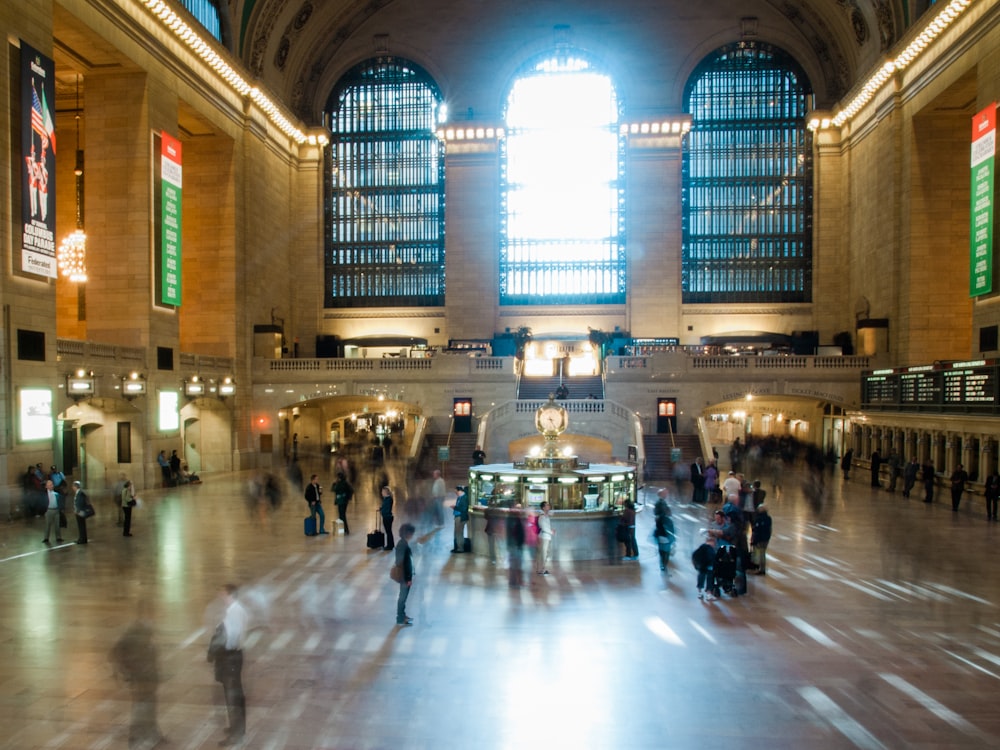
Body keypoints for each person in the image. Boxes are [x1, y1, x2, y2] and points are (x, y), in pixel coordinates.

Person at [110, 601, 165, 750]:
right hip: (140, 677)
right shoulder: (133, 631)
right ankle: (135, 738)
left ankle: (153, 733)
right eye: (151, 614)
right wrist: (127, 673)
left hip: (150, 677)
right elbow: (116, 651)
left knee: (150, 706)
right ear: (144, 614)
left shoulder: (148, 629)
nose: (154, 617)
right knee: (140, 707)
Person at [214, 584, 248, 746]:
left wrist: (220, 649)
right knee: (235, 694)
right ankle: (237, 727)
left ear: (230, 595)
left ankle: (236, 733)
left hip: (231, 657)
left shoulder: (233, 612)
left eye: (223, 594)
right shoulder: (237, 609)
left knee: (232, 695)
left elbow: (231, 637)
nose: (221, 597)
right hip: (236, 655)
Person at [394, 523, 416, 626]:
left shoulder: (402, 543)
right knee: (402, 597)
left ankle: (402, 615)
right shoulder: (403, 545)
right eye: (411, 533)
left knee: (403, 597)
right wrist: (408, 578)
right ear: (407, 533)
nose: (412, 535)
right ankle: (400, 617)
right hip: (404, 577)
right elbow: (404, 563)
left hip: (405, 576)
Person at [507, 503, 526, 588]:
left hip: (516, 545)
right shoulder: (512, 519)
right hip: (514, 545)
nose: (519, 510)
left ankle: (514, 582)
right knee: (516, 565)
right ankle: (515, 582)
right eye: (517, 508)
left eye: (520, 508)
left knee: (516, 564)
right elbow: (514, 533)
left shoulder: (516, 518)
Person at [750, 503, 773, 574]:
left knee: (761, 554)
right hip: (766, 538)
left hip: (761, 539)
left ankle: (761, 569)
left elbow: (757, 530)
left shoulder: (759, 519)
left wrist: (755, 540)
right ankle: (761, 568)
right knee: (762, 553)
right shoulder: (768, 518)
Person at [41, 479, 64, 544]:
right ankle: (46, 538)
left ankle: (58, 537)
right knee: (48, 524)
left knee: (57, 524)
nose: (51, 486)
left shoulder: (56, 492)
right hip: (49, 510)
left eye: (52, 484)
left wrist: (61, 508)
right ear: (46, 486)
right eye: (50, 485)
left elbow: (60, 499)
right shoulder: (44, 494)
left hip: (56, 510)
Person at [536, 500, 554, 574]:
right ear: (543, 508)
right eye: (547, 505)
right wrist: (551, 532)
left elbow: (552, 513)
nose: (548, 506)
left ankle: (542, 568)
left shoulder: (546, 515)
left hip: (547, 536)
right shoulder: (542, 516)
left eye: (549, 505)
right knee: (543, 554)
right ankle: (540, 570)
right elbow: (543, 527)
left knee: (545, 553)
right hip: (544, 537)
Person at [72, 480, 91, 544]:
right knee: (81, 526)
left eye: (73, 486)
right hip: (79, 512)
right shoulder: (79, 492)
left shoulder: (80, 493)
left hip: (80, 512)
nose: (72, 488)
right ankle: (82, 538)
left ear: (75, 486)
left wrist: (77, 510)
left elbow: (80, 503)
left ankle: (82, 539)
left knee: (81, 526)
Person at [451, 485, 469, 553]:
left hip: (461, 517)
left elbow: (463, 508)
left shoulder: (464, 498)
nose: (456, 493)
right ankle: (456, 547)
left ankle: (460, 548)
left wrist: (455, 507)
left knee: (459, 533)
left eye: (456, 492)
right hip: (457, 516)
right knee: (456, 533)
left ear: (460, 491)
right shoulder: (459, 497)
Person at [380, 485, 395, 551]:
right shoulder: (387, 499)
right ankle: (391, 544)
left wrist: (382, 511)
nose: (382, 493)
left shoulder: (388, 499)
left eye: (383, 492)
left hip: (387, 517)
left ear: (386, 492)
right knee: (388, 532)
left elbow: (387, 509)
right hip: (387, 517)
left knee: (388, 532)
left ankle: (390, 546)